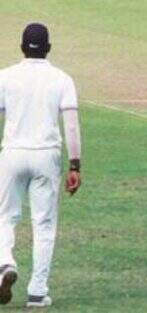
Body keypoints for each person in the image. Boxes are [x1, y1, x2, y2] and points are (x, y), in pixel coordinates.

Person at [0, 23, 81, 308]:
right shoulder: (62, 79)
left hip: (13, 153)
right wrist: (75, 165)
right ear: (48, 48)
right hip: (46, 155)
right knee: (43, 224)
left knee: (5, 217)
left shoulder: (6, 77)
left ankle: (5, 262)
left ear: (22, 47)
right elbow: (71, 125)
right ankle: (37, 291)